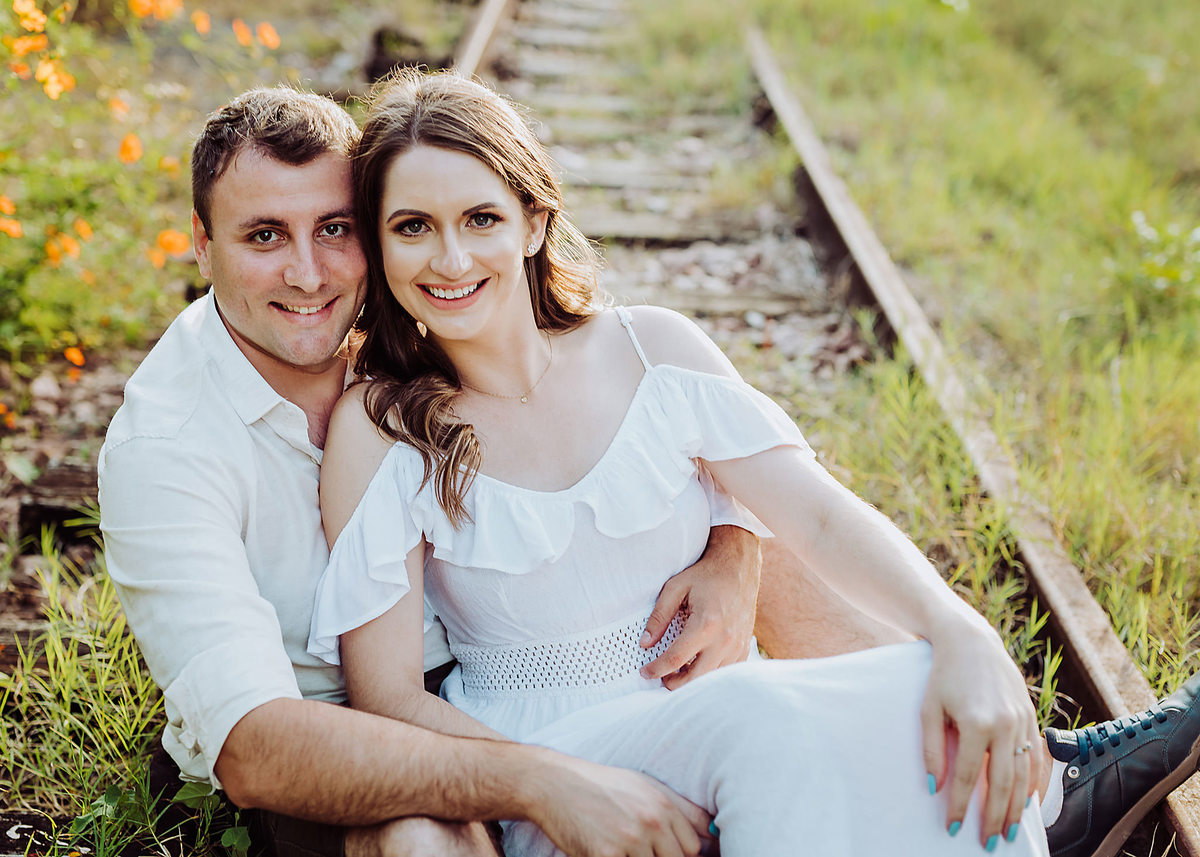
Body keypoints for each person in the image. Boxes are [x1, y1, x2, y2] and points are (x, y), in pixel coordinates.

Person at [100, 79, 1200, 857]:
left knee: (883, 677)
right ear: (202, 242)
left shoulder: (628, 346)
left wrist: (770, 555)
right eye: (413, 228)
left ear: (535, 220)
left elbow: (811, 511)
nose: (309, 272)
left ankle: (1033, 791)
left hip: (665, 691)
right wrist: (551, 779)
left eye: (335, 229)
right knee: (764, 713)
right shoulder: (296, 428)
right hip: (439, 746)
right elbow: (306, 727)